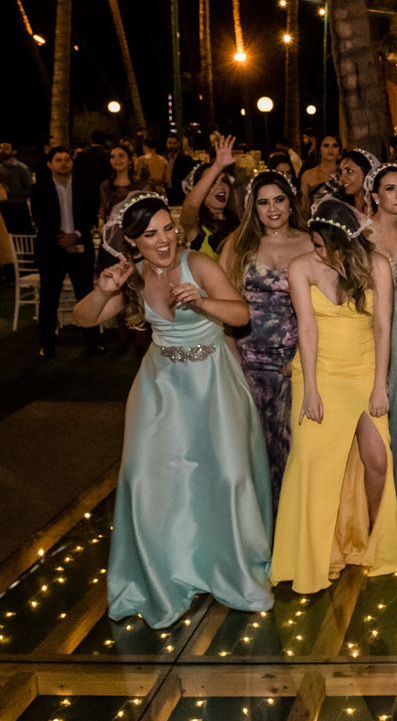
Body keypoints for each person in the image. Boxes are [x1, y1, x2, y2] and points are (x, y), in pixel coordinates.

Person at [72, 192, 274, 628]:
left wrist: (201, 301)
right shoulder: (131, 276)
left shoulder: (197, 264)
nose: (164, 240)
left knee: (227, 475)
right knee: (143, 478)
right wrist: (102, 291)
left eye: (168, 228)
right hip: (160, 385)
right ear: (132, 241)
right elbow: (83, 319)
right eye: (151, 234)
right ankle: (165, 573)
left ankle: (230, 567)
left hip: (212, 380)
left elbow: (240, 315)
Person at [274, 198, 397, 594]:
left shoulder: (377, 266)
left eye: (324, 245)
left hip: (363, 371)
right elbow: (307, 328)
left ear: (345, 242)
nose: (318, 252)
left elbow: (383, 327)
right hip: (318, 373)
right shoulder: (301, 267)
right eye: (315, 244)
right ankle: (314, 557)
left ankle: (370, 539)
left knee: (378, 459)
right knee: (314, 465)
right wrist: (311, 391)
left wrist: (379, 385)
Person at [219, 171, 313, 512]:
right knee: (251, 448)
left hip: (295, 360)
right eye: (263, 202)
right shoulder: (238, 244)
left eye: (279, 200)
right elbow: (223, 305)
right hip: (247, 358)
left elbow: (321, 310)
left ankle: (288, 526)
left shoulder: (310, 242)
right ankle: (253, 525)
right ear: (253, 208)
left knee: (292, 449)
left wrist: (301, 359)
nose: (272, 209)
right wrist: (233, 359)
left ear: (291, 203)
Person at [364, 163, 397, 508]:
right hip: (366, 320)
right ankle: (369, 487)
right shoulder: (361, 232)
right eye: (390, 189)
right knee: (371, 399)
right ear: (374, 195)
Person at [30, 146, 103, 357]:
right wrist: (64, 239)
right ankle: (47, 342)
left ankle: (93, 341)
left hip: (80, 248)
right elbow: (40, 219)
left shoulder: (84, 187)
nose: (63, 163)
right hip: (51, 249)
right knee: (49, 297)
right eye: (58, 160)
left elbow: (91, 214)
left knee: (86, 295)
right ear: (49, 164)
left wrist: (76, 235)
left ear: (72, 163)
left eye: (67, 160)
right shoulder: (39, 189)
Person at [180, 136, 239, 257]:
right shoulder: (194, 226)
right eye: (212, 183)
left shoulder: (238, 223)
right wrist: (217, 166)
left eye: (224, 181)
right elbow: (191, 206)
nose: (221, 187)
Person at [298, 133, 342, 212]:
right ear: (319, 150)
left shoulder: (345, 173)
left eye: (335, 146)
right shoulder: (308, 175)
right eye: (326, 146)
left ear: (339, 150)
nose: (330, 149)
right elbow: (305, 208)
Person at [0, 139, 34, 234]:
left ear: (14, 152)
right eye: (1, 148)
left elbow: (30, 189)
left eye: (6, 149)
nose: (2, 151)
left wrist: (11, 192)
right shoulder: (1, 168)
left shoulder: (22, 168)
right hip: (4, 207)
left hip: (19, 207)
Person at [338, 148, 380, 216]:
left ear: (367, 173)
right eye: (341, 172)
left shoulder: (381, 209)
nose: (342, 178)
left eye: (349, 171)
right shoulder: (341, 208)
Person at [164, 133, 194, 206]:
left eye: (174, 143)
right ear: (166, 144)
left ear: (178, 144)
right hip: (167, 191)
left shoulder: (186, 159)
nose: (172, 145)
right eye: (170, 143)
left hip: (179, 193)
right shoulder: (164, 158)